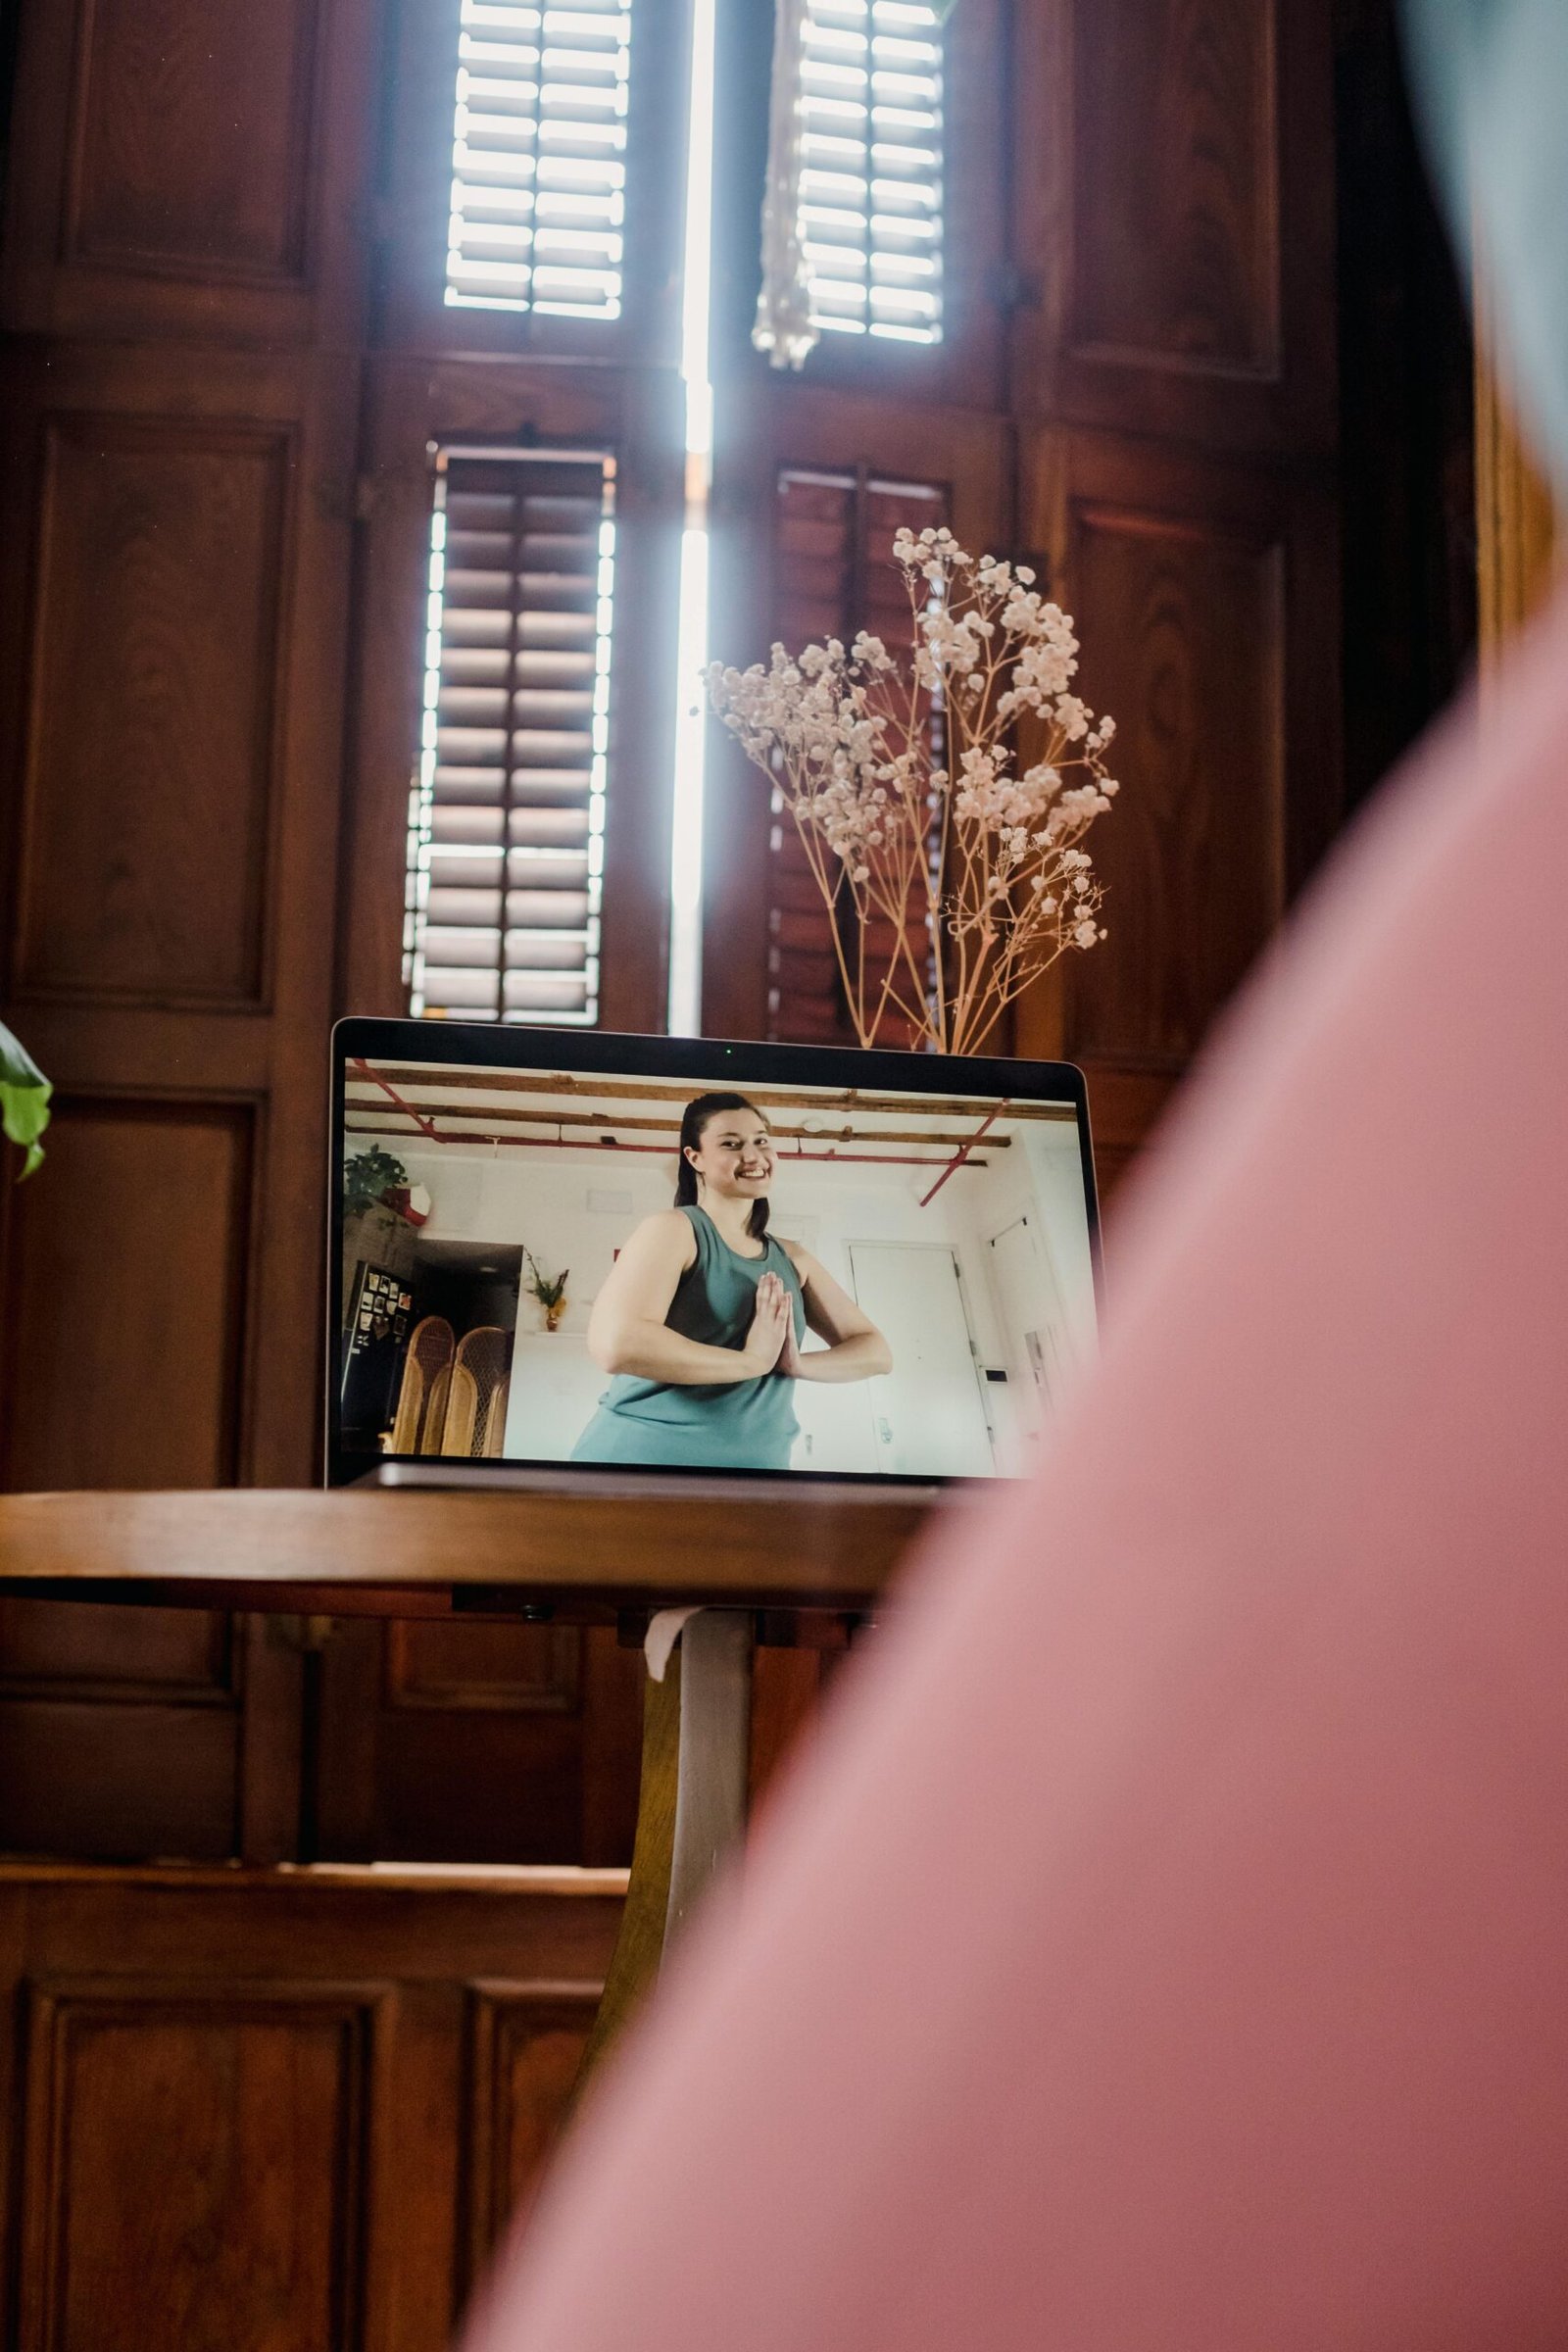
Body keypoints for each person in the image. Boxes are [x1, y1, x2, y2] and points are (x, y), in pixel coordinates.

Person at [465, 7, 1568, 2343]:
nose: (755, 1146)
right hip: (697, 1494)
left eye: (766, 1135)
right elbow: (633, 1342)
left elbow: (864, 1341)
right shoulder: (680, 1226)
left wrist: (827, 1298)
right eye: (741, 1131)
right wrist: (746, 1302)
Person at [570, 1092, 891, 1471]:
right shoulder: (675, 1229)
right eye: (731, 1144)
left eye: (761, 1141)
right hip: (641, 1465)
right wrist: (751, 1361)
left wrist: (796, 1365)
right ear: (695, 1158)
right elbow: (616, 1344)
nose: (753, 1155)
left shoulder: (794, 1257)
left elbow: (876, 1353)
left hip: (756, 1477)